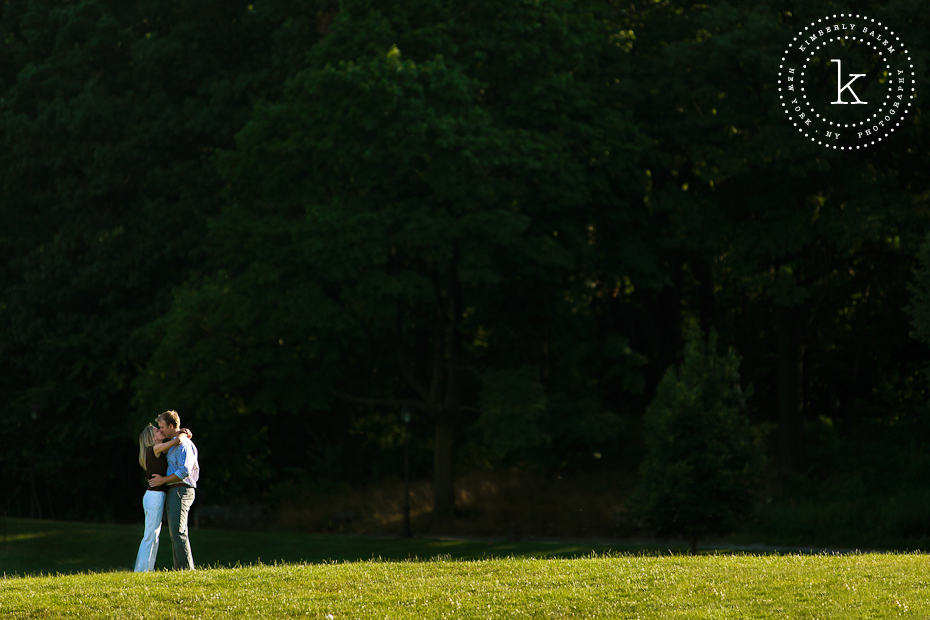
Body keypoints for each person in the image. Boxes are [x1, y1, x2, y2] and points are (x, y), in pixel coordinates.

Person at [132, 424, 190, 572]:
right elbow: (176, 442)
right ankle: (142, 570)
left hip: (155, 496)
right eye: (157, 431)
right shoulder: (155, 448)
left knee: (152, 534)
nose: (160, 430)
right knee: (151, 535)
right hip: (155, 496)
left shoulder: (157, 450)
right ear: (152, 438)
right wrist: (183, 435)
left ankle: (145, 569)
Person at [148, 409, 200, 570]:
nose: (160, 430)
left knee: (178, 531)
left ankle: (186, 570)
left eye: (162, 427)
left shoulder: (184, 444)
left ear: (171, 426)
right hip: (174, 490)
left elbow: (184, 471)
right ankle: (180, 569)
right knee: (175, 532)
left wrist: (163, 480)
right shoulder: (173, 444)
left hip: (182, 489)